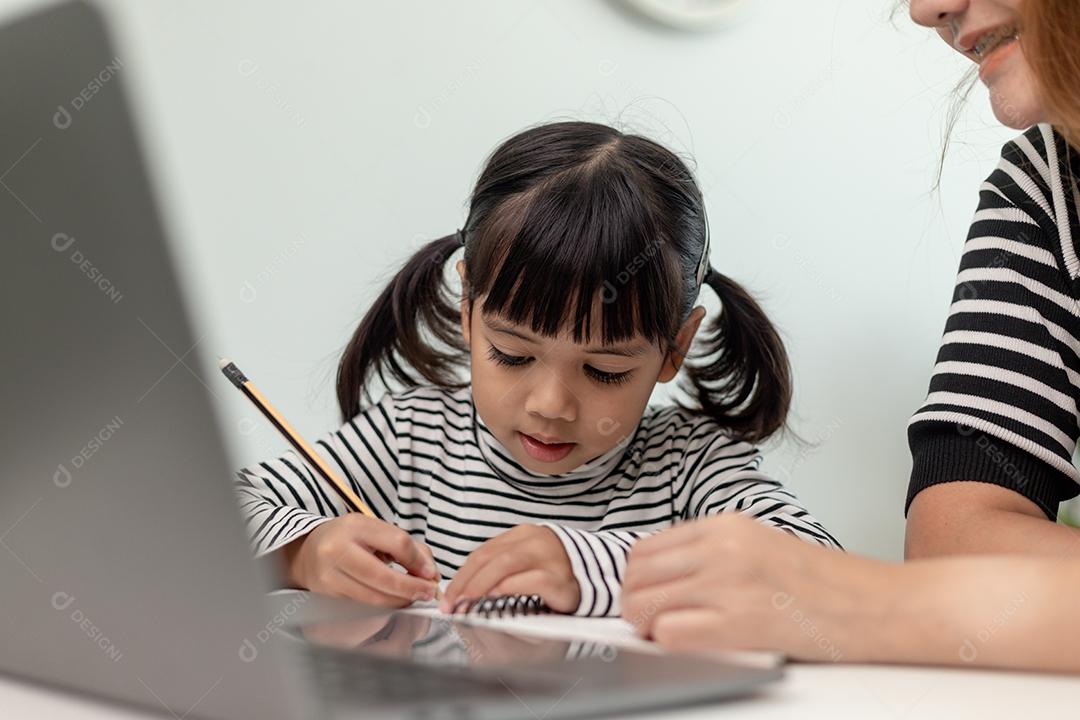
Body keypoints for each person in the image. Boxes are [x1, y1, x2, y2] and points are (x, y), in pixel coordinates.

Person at [621, 0, 1080, 673]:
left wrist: (858, 604)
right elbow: (961, 546)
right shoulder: (1043, 190)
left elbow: (968, 585)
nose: (928, 10)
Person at [232, 120, 839, 618]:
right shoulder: (410, 438)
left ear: (674, 350)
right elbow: (211, 512)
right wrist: (303, 554)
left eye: (603, 370)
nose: (551, 404)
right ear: (469, 309)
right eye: (513, 356)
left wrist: (593, 570)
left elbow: (818, 571)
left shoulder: (689, 466)